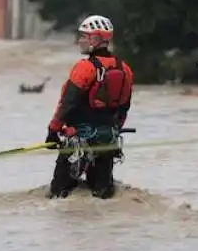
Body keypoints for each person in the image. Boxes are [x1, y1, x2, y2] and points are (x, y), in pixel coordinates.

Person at [45, 14, 134, 199]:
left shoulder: (84, 68)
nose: (80, 41)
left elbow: (67, 103)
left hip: (77, 141)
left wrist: (53, 131)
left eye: (84, 36)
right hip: (107, 141)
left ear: (96, 39)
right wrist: (114, 129)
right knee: (102, 195)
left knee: (58, 194)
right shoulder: (125, 69)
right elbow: (124, 107)